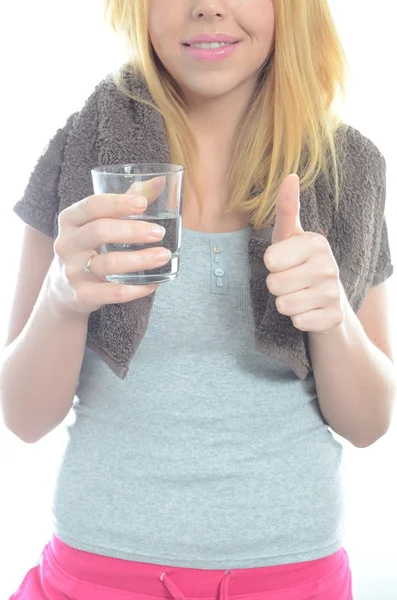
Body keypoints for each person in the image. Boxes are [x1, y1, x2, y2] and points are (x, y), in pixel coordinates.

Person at [2, 1, 396, 599]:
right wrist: (62, 298)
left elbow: (369, 425)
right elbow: (24, 419)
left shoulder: (349, 169)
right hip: (97, 575)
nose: (208, 6)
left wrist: (333, 316)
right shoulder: (80, 154)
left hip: (293, 578)